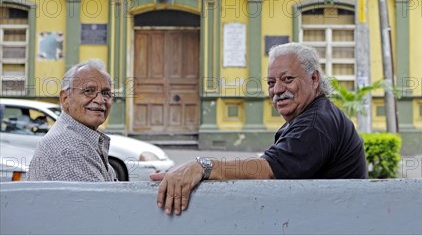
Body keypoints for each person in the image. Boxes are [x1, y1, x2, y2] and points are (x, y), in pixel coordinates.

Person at [151, 42, 368, 215]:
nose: (278, 90)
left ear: (314, 79)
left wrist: (202, 167)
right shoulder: (310, 116)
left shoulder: (316, 123)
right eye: (271, 83)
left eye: (288, 79)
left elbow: (267, 171)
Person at [27, 59, 117, 181]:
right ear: (65, 99)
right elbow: (101, 199)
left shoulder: (81, 138)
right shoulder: (68, 149)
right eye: (89, 91)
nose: (100, 100)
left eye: (106, 93)